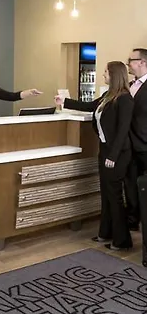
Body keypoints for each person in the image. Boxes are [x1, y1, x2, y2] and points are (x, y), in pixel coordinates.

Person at [55, 61, 134, 251]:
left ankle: (122, 240)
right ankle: (105, 233)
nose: (103, 74)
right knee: (105, 194)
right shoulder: (108, 96)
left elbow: (123, 131)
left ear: (114, 75)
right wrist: (64, 101)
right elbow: (89, 106)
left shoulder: (125, 99)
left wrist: (113, 156)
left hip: (117, 154)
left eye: (106, 72)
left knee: (114, 196)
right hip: (105, 150)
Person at [124, 48, 147, 230]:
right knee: (130, 186)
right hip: (128, 146)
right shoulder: (129, 86)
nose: (128, 64)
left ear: (142, 62)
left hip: (145, 146)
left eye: (131, 60)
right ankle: (132, 221)